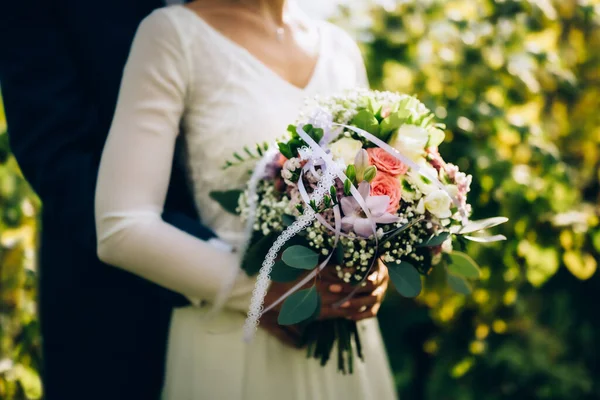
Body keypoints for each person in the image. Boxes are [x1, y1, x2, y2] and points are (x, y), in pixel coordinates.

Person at [0, 0, 392, 398]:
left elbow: (365, 176)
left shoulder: (337, 47)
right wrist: (259, 289)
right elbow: (59, 152)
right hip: (127, 309)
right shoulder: (170, 32)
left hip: (334, 326)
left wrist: (367, 259)